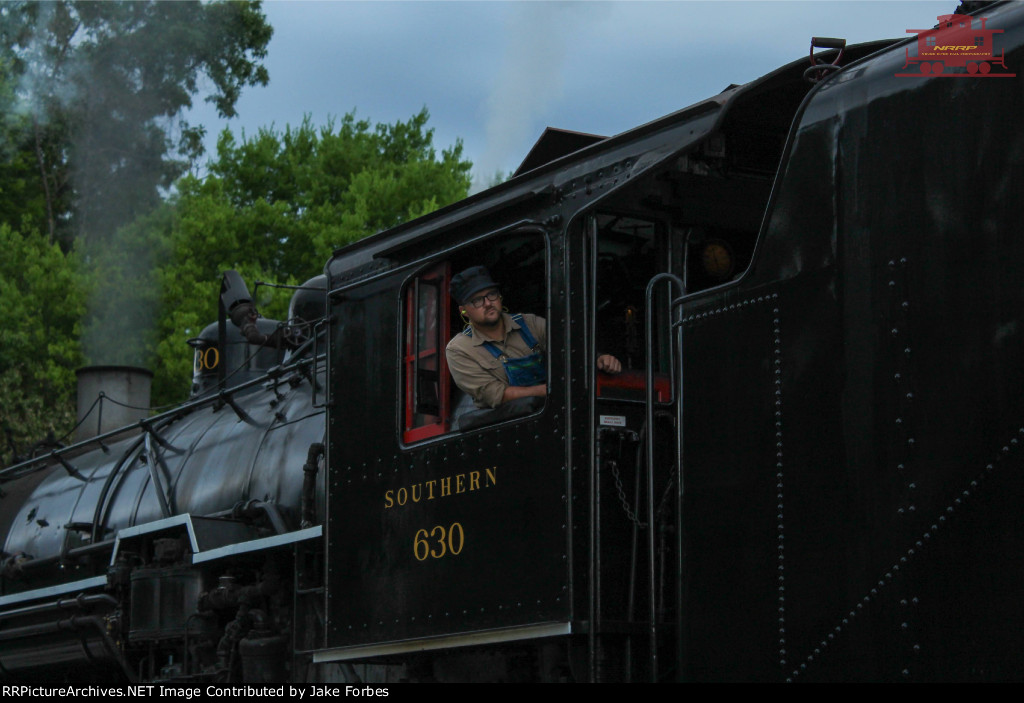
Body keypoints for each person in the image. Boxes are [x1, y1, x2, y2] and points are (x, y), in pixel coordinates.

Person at [446, 266, 622, 409]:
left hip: (553, 409)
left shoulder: (530, 323)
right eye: (477, 300)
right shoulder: (459, 349)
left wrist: (599, 359)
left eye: (491, 294)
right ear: (463, 310)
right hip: (506, 425)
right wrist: (552, 390)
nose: (487, 303)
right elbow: (498, 395)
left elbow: (571, 348)